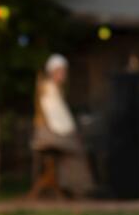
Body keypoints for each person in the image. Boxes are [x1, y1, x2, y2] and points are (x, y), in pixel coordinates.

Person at [28, 54, 92, 199]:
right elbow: (55, 118)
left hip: (55, 132)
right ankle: (77, 188)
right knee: (76, 148)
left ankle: (72, 187)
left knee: (76, 147)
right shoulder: (48, 89)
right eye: (60, 71)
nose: (63, 75)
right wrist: (71, 131)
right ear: (52, 72)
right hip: (48, 134)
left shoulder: (55, 89)